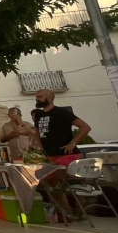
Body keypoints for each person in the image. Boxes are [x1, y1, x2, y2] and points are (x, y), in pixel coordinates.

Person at [33, 89, 92, 220]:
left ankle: (78, 210)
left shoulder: (63, 113)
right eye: (36, 97)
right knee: (52, 184)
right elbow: (37, 133)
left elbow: (85, 127)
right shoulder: (38, 115)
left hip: (67, 156)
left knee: (70, 184)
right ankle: (66, 211)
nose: (37, 99)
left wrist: (73, 143)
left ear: (50, 98)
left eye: (40, 96)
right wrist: (43, 151)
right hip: (50, 156)